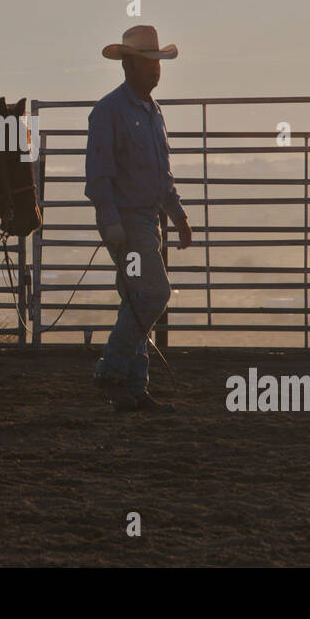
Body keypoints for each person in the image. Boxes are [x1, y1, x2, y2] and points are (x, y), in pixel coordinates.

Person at [85, 24, 192, 412]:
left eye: (157, 63)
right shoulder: (110, 112)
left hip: (146, 221)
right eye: (149, 62)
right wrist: (109, 219)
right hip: (129, 222)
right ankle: (111, 367)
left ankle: (132, 389)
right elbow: (99, 175)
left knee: (137, 299)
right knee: (153, 294)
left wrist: (176, 215)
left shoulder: (149, 112)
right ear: (129, 65)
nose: (155, 70)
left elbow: (162, 176)